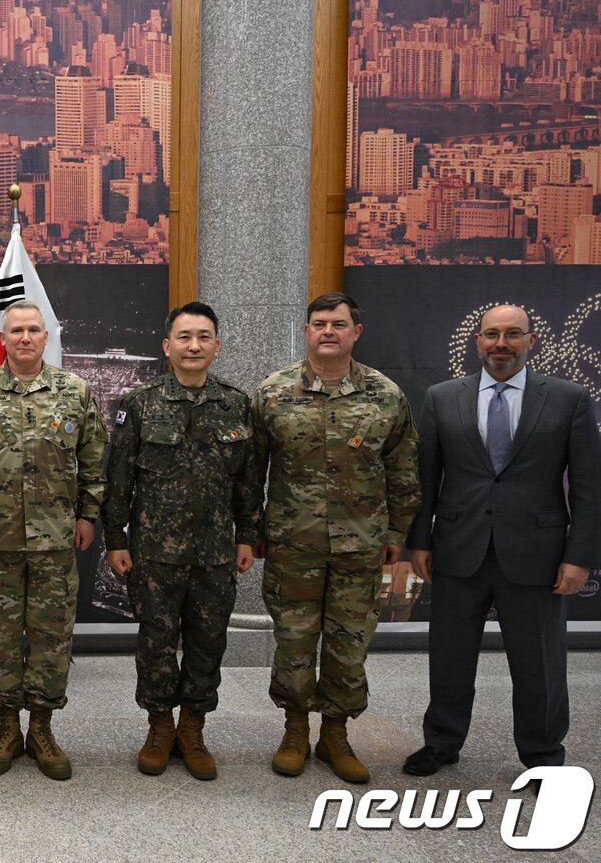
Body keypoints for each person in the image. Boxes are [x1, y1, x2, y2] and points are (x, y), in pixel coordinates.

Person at [403, 303, 600, 777]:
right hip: (456, 548)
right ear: (477, 341)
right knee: (450, 657)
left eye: (513, 334)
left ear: (531, 341)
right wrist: (420, 543)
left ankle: (544, 757)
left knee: (540, 665)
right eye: (491, 335)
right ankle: (442, 743)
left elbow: (591, 486)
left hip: (538, 554)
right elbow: (424, 479)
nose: (501, 344)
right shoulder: (442, 397)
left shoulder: (569, 398)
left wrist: (580, 557)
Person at [251, 292, 419, 783]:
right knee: (294, 641)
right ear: (306, 331)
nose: (329, 331)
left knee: (349, 646)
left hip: (360, 546)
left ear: (355, 333)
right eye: (319, 323)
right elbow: (250, 470)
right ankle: (295, 728)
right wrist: (252, 528)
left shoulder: (385, 395)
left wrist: (397, 531)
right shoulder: (273, 392)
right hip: (292, 545)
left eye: (338, 324)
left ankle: (336, 734)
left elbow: (404, 468)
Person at [0, 300, 106, 781]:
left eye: (34, 330)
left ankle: (42, 727)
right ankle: (7, 727)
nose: (26, 338)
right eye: (17, 331)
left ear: (46, 337)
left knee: (52, 638)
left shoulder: (74, 391)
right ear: (4, 337)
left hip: (56, 539)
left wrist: (89, 514)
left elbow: (94, 460)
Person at [101, 302, 259, 781]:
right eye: (184, 337)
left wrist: (247, 535)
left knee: (208, 642)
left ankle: (193, 727)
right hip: (154, 555)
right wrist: (115, 539)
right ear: (168, 346)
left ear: (216, 345)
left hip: (214, 553)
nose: (194, 346)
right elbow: (119, 480)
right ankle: (159, 726)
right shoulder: (140, 403)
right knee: (156, 643)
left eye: (204, 337)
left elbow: (248, 481)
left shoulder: (235, 403)